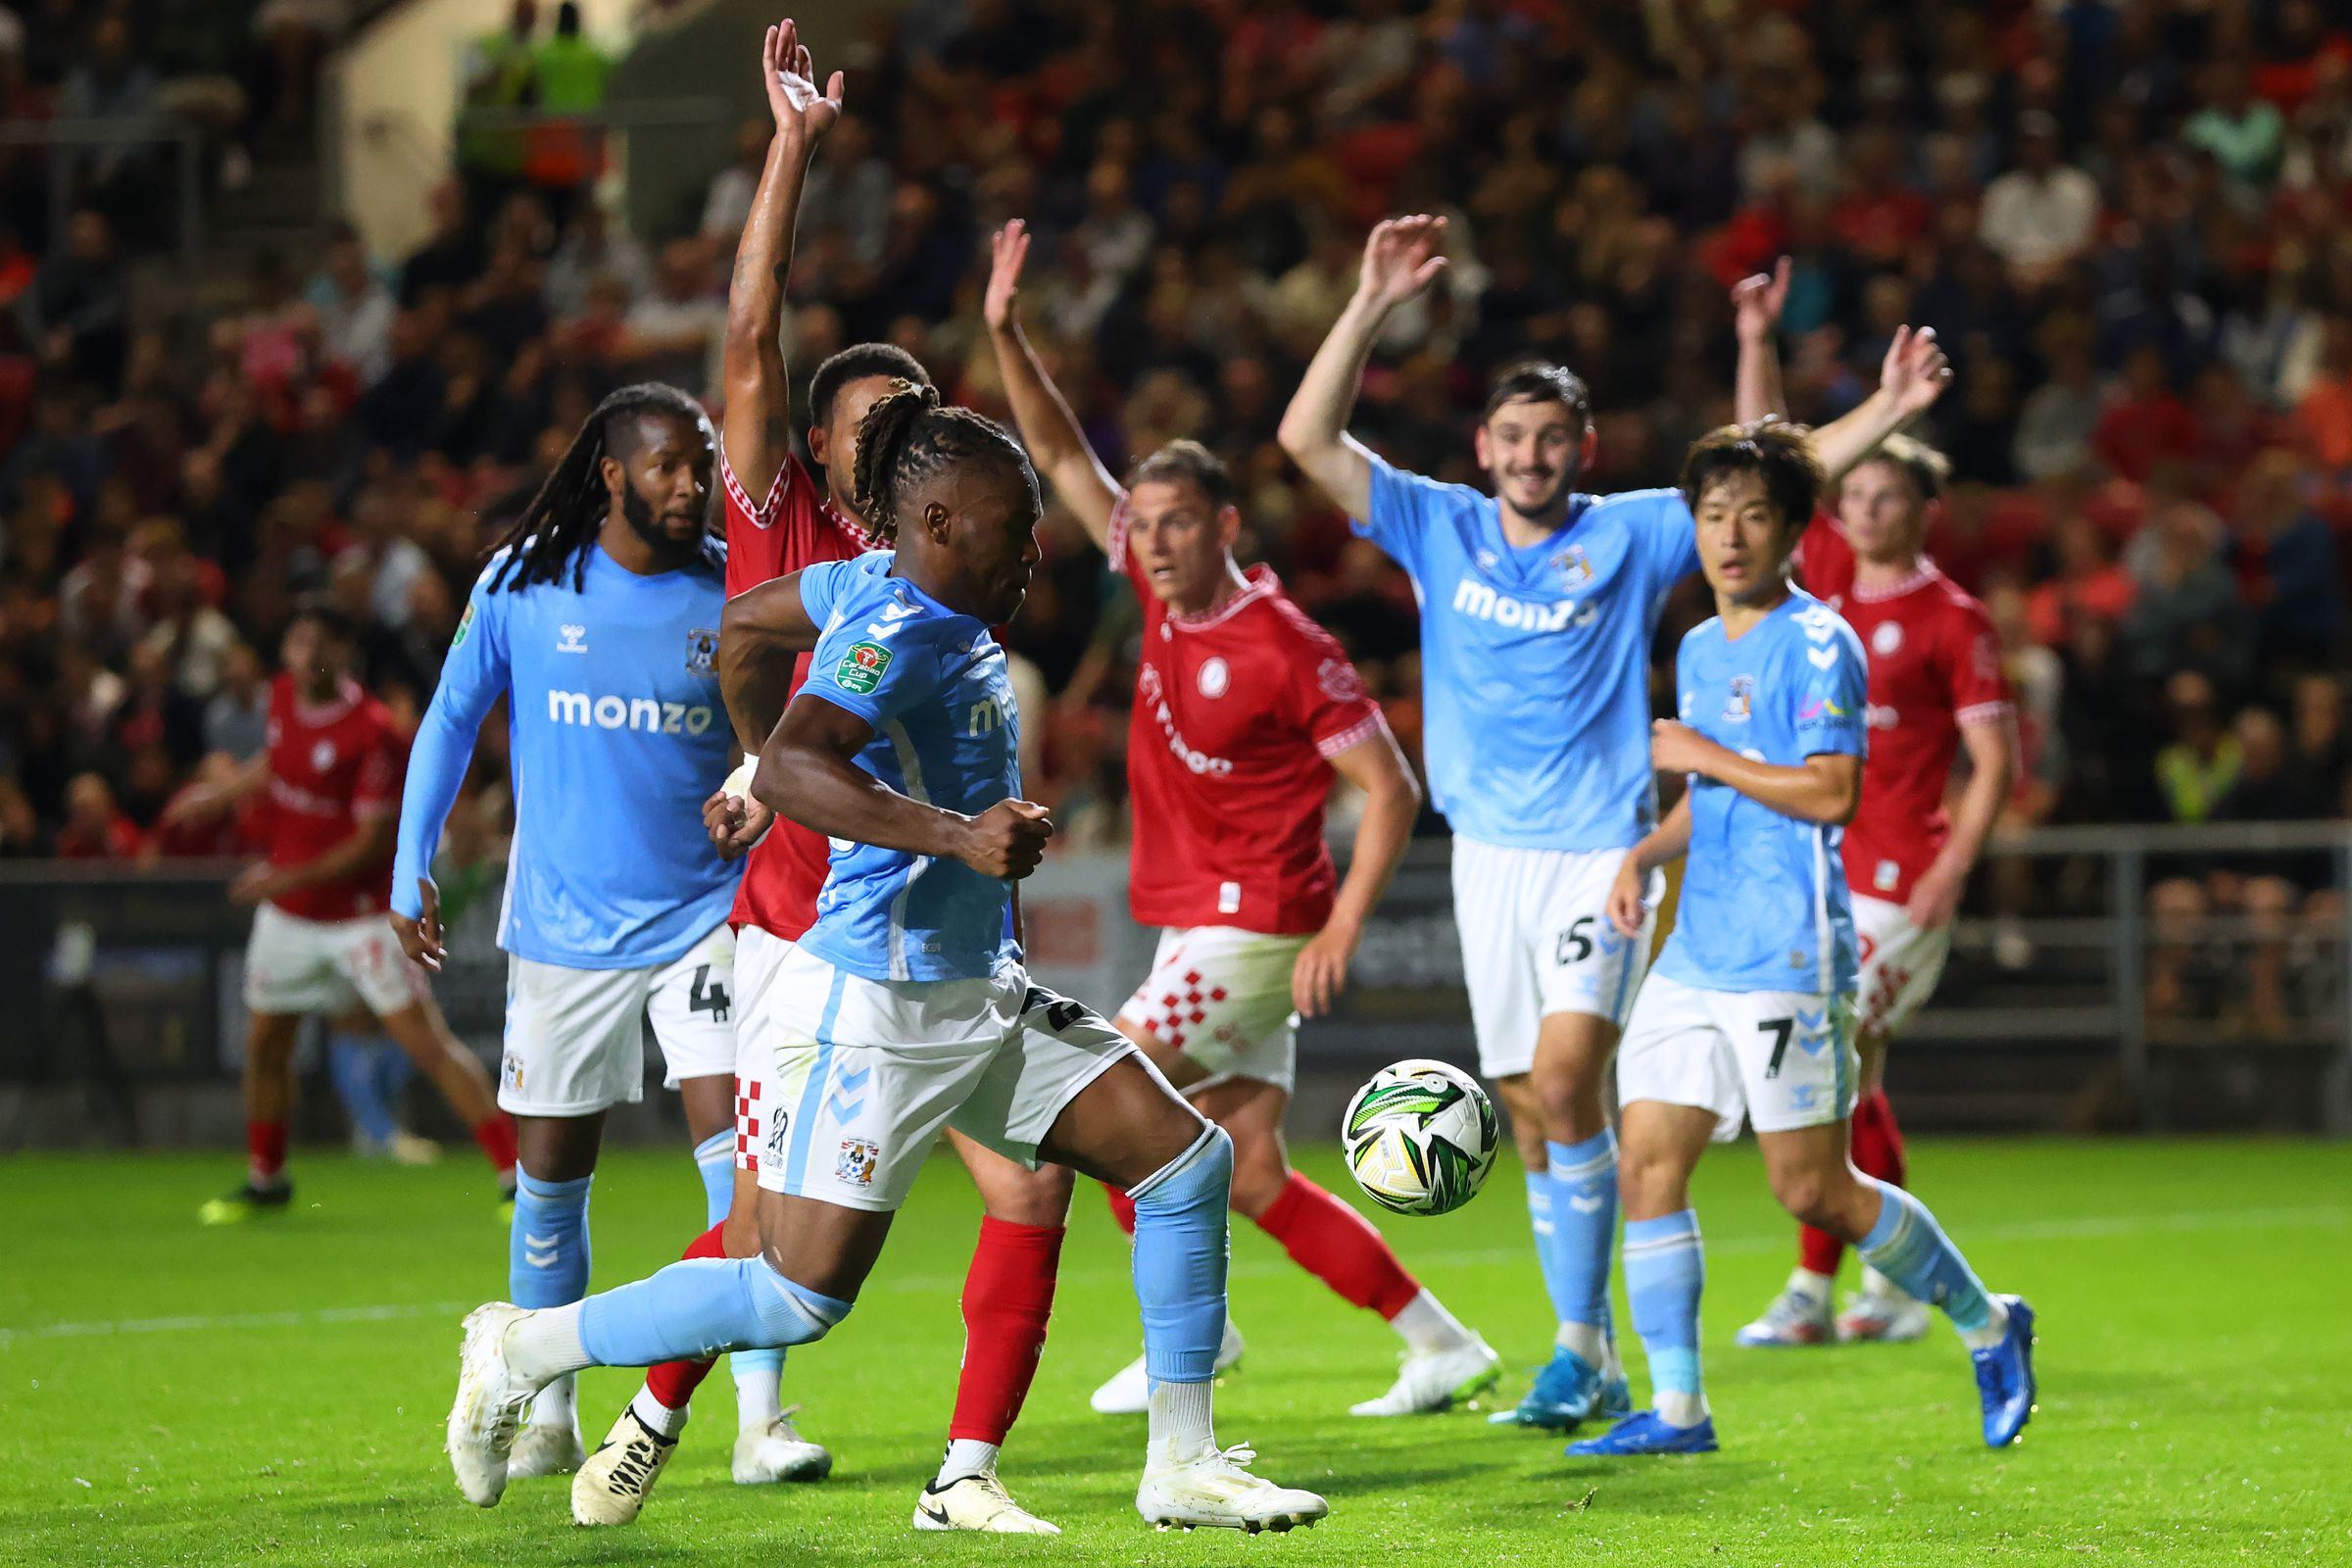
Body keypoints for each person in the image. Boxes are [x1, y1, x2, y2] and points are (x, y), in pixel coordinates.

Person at [445, 381, 1331, 1536]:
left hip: (980, 992)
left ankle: (1181, 1463)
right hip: (877, 1003)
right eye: (1014, 529)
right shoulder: (902, 627)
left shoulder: (873, 585)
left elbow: (751, 621)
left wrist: (749, 750)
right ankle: (518, 1345)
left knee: (1183, 1161)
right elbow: (811, 758)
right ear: (943, 525)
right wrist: (938, 825)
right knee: (791, 1295)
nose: (1034, 550)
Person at [1277, 219, 1947, 1430]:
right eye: (1513, 438)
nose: (1532, 456)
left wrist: (1887, 411)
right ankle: (1586, 1353)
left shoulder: (1631, 530)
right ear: (1483, 449)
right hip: (1487, 855)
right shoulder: (1440, 524)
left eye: (1552, 439)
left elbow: (1773, 475)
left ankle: (1597, 1353)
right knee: (1535, 1111)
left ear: (1580, 449)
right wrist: (1371, 299)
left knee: (1571, 1076)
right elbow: (1305, 438)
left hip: (1601, 847)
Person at [564, 24, 1077, 1535]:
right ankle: (643, 1410)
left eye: (912, 417)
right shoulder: (789, 526)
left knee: (1029, 1188)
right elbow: (749, 329)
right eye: (868, 418)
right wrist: (790, 147)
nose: (893, 436)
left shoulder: (943, 570)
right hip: (802, 943)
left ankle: (967, 1471)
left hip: (936, 943)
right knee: (767, 1242)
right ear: (817, 446)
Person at [981, 219, 1498, 1417]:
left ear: (1226, 527)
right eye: (1141, 524)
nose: (1150, 543)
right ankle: (1441, 1341)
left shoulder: (1283, 644)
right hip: (1204, 923)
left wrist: (1339, 931)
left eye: (1175, 523)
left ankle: (1198, 1340)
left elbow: (1390, 790)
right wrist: (1006, 330)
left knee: (1084, 1096)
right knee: (1253, 1168)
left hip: (1257, 924)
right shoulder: (1167, 600)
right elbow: (1059, 452)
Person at [1573, 421, 2036, 1458]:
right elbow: (1715, 795)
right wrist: (1647, 852)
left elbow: (1833, 792)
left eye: (1753, 515)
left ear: (1790, 532)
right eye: (1712, 514)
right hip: (1696, 949)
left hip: (1789, 950)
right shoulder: (1698, 645)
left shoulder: (1821, 641)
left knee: (1811, 1186)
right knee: (1648, 1163)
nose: (1728, 536)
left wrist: (1705, 755)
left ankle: (1989, 1323)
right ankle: (1681, 1409)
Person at [383, 375, 793, 1485]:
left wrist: (757, 778)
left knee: (740, 1166)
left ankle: (761, 1422)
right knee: (553, 1177)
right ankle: (544, 1398)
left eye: (702, 464)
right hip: (564, 930)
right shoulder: (524, 582)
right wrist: (409, 863)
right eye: (667, 464)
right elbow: (450, 718)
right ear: (611, 473)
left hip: (706, 913)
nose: (691, 484)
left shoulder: (734, 588)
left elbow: (786, 729)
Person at [1725, 428, 2020, 1346]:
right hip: (1824, 868)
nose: (1863, 510)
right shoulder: (1831, 587)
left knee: (1827, 1061)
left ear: (1925, 509)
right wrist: (1752, 340)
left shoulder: (1952, 616)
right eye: (1852, 496)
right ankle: (1880, 1290)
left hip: (1900, 881)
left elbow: (1994, 758)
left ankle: (1820, 1291)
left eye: (1886, 497)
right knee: (1848, 1080)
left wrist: (1951, 868)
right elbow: (1759, 446)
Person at [175, 601, 517, 1224]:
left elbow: (365, 843)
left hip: (360, 917)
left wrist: (281, 876)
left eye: (318, 645)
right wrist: (220, 795)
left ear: (342, 654)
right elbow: (277, 762)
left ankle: (514, 1179)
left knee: (426, 1043)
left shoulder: (373, 732)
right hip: (289, 917)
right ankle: (267, 1178)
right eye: (297, 643)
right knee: (265, 1044)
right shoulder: (280, 699)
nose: (305, 657)